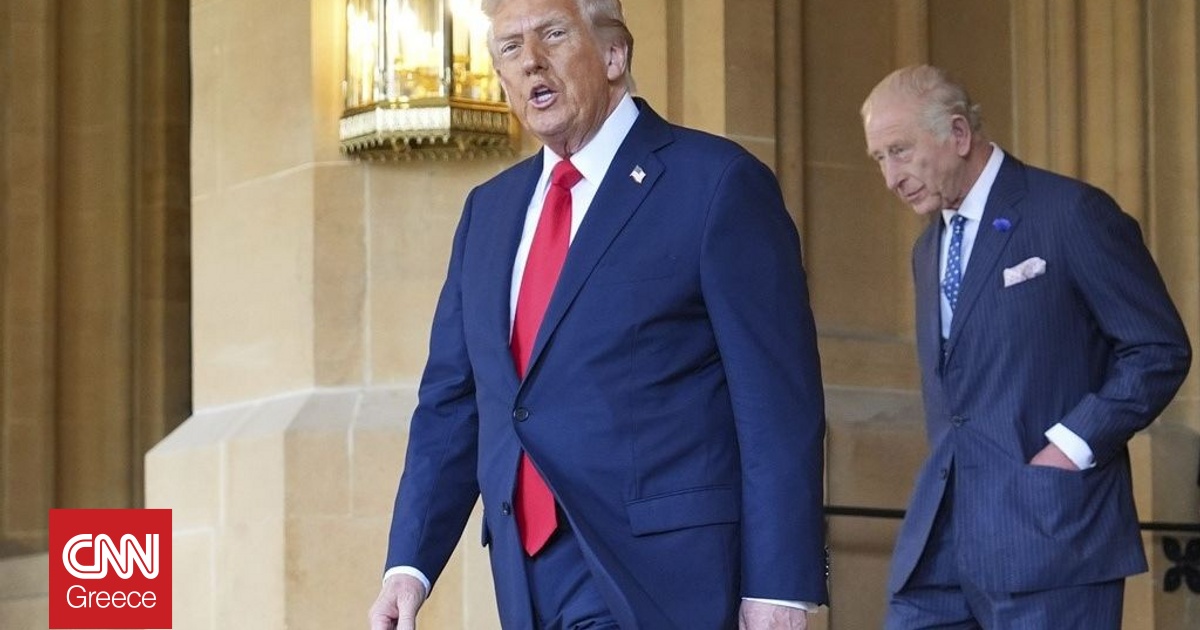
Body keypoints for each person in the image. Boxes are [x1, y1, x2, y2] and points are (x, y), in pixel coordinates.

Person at [367, 0, 829, 628]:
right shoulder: (488, 212)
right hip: (527, 573)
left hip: (665, 572)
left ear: (614, 55)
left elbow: (776, 401)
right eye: (509, 47)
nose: (530, 61)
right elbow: (453, 404)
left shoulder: (716, 183)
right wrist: (409, 566)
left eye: (553, 35)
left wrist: (779, 585)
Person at [861, 64, 1192, 628]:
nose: (891, 176)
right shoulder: (926, 249)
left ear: (958, 133)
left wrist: (1071, 446)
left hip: (1052, 535)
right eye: (878, 159)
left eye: (899, 151)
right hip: (942, 543)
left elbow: (1157, 349)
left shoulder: (1070, 212)